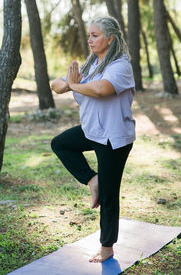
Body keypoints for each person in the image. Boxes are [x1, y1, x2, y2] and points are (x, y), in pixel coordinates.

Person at [51, 16, 136, 263]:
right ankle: (92, 179)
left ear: (110, 39)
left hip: (114, 137)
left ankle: (107, 247)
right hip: (92, 131)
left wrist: (73, 86)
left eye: (95, 35)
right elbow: (57, 85)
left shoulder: (120, 66)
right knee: (61, 143)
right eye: (89, 35)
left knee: (109, 195)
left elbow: (101, 89)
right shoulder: (90, 65)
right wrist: (69, 84)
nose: (90, 39)